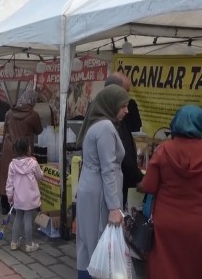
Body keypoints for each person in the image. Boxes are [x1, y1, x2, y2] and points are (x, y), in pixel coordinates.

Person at [139, 105, 202, 279]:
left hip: (166, 220)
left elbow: (149, 186)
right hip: (196, 222)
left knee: (165, 266)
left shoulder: (163, 150)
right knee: (195, 267)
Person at [75, 85, 129, 278]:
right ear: (111, 104)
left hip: (90, 186)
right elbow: (108, 169)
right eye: (124, 106)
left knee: (87, 243)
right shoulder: (105, 127)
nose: (126, 110)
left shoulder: (96, 124)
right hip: (100, 192)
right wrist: (114, 207)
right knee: (99, 244)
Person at [95, 72, 144, 207]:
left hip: (111, 188)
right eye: (126, 91)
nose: (127, 97)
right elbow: (111, 165)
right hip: (109, 191)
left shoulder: (106, 118)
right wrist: (114, 208)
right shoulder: (107, 125)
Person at [0, 90, 44, 214]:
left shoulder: (9, 113)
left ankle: (4, 204)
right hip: (24, 149)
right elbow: (39, 130)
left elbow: (5, 129)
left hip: (8, 147)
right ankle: (21, 204)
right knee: (24, 178)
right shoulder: (33, 115)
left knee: (7, 175)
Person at [6, 137, 43, 253]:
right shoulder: (33, 163)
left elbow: (9, 183)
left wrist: (9, 196)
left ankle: (14, 242)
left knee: (17, 218)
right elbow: (40, 176)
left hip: (18, 197)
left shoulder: (12, 165)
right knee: (28, 219)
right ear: (28, 149)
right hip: (30, 197)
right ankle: (29, 244)